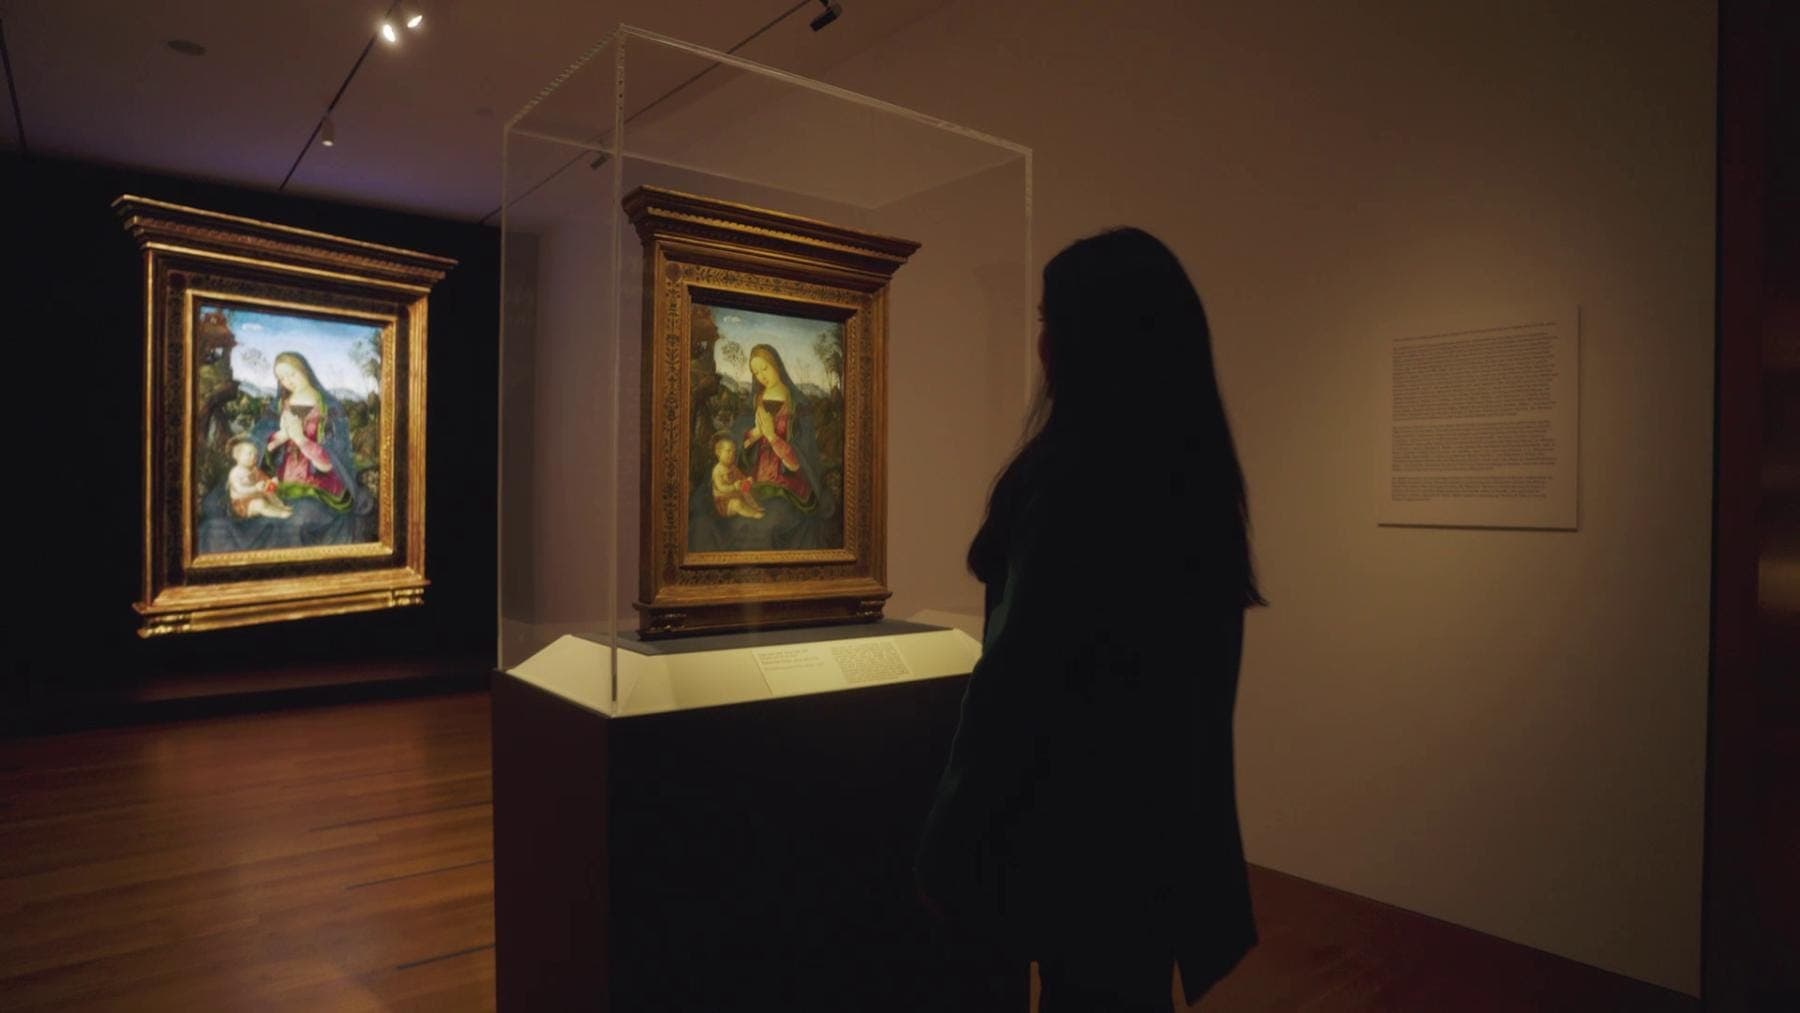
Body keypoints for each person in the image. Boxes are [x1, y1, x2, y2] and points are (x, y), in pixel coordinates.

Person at [914, 227, 1264, 1011]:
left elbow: (1014, 681)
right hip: (1151, 825)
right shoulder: (1191, 475)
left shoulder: (1071, 480)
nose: (1039, 341)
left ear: (1082, 340)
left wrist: (948, 840)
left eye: (1049, 319)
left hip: (1075, 832)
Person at [225, 436, 292, 519]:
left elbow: (264, 480)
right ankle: (279, 514)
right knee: (260, 504)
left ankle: (279, 506)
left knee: (268, 491)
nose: (253, 457)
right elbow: (240, 489)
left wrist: (272, 482)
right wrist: (255, 488)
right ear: (237, 456)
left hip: (256, 495)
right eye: (249, 454)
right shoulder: (235, 473)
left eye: (255, 455)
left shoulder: (255, 470)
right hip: (242, 503)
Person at [710, 436, 766, 519]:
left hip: (735, 494)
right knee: (737, 504)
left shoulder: (733, 467)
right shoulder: (717, 471)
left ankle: (755, 507)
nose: (732, 454)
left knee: (746, 490)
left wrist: (747, 480)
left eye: (734, 452)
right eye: (728, 451)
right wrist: (734, 487)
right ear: (718, 452)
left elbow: (741, 477)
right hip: (725, 502)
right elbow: (721, 488)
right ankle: (753, 513)